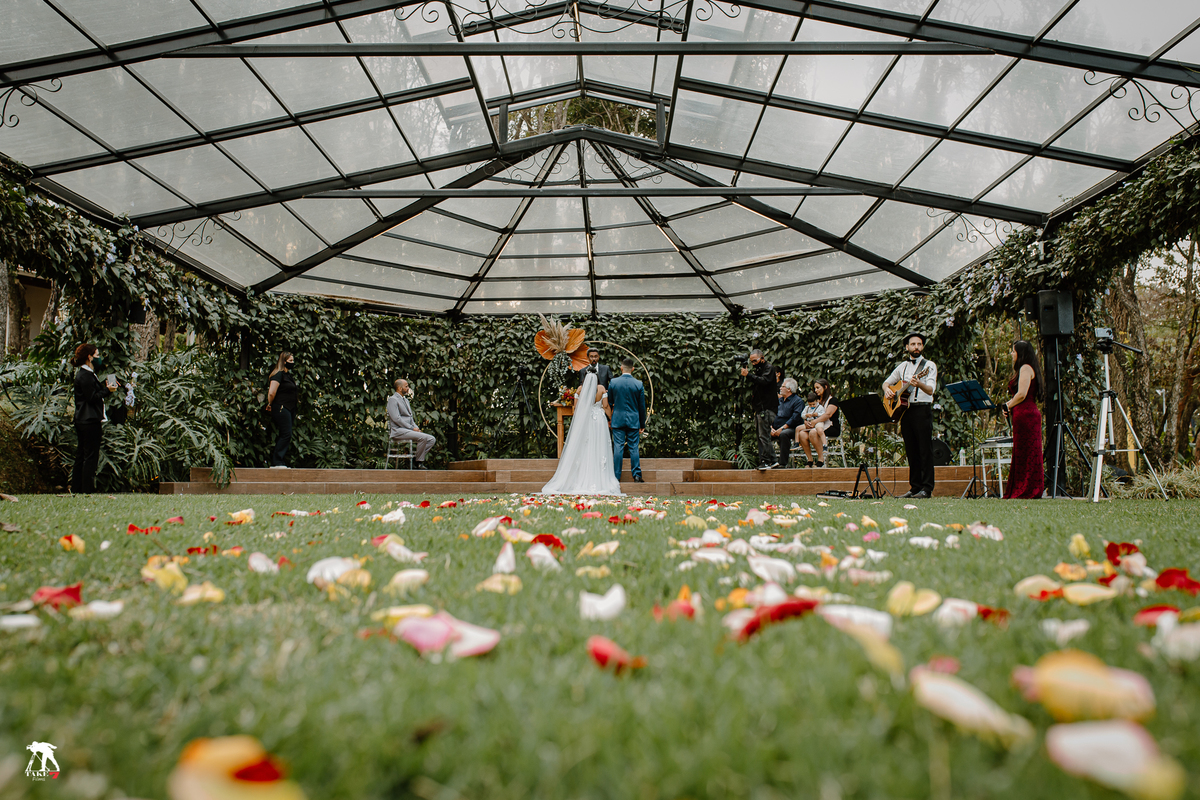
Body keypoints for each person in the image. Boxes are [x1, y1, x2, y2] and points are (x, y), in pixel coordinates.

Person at [540, 370, 621, 495]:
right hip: (599, 421)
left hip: (586, 420)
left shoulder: (579, 389)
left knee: (585, 446)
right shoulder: (601, 388)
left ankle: (583, 475)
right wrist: (611, 419)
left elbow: (576, 409)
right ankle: (599, 477)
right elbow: (605, 406)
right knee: (599, 446)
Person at [883, 332, 938, 498]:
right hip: (905, 411)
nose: (916, 347)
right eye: (913, 344)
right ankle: (914, 488)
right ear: (907, 347)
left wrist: (919, 383)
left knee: (924, 450)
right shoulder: (903, 367)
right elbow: (887, 382)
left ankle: (926, 489)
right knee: (911, 450)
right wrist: (887, 390)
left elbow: (930, 390)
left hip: (922, 410)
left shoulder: (929, 366)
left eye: (919, 344)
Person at [1002, 340, 1045, 499]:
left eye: (1013, 351)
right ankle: (1022, 486)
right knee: (1022, 452)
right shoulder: (1023, 369)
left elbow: (1021, 394)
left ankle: (1028, 488)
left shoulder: (1026, 368)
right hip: (1021, 414)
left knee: (1028, 452)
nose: (1012, 354)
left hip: (1027, 414)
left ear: (1020, 353)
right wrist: (1010, 406)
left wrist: (1008, 405)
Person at [71, 343, 113, 494]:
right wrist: (107, 391)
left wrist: (105, 390)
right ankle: (86, 489)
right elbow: (92, 398)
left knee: (82, 454)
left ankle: (77, 488)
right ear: (89, 357)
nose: (99, 358)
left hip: (82, 419)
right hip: (89, 420)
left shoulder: (85, 374)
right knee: (90, 456)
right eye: (96, 355)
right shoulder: (86, 375)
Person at [608, 358, 647, 483]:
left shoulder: (613, 383)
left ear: (621, 367)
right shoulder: (638, 384)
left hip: (617, 419)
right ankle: (636, 475)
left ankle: (616, 476)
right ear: (633, 369)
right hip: (633, 420)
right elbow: (642, 406)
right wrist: (642, 423)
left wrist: (609, 419)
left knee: (618, 447)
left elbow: (609, 402)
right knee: (634, 447)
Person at [387, 378, 436, 469]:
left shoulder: (406, 400)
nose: (408, 388)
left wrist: (416, 428)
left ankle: (415, 460)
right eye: (406, 386)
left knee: (431, 439)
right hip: (398, 431)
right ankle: (419, 463)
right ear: (399, 388)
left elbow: (410, 418)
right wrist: (411, 428)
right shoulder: (392, 400)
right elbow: (396, 418)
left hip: (408, 430)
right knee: (423, 437)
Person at [740, 349, 777, 471]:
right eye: (752, 362)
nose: (754, 363)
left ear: (762, 358)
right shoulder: (759, 369)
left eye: (755, 361)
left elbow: (764, 381)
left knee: (763, 436)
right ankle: (772, 460)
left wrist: (749, 375)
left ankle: (765, 461)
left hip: (766, 408)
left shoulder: (769, 368)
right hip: (760, 408)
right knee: (762, 435)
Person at [796, 378, 841, 467]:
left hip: (830, 426)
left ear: (825, 387)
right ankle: (810, 459)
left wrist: (814, 422)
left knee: (813, 432)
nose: (816, 390)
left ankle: (821, 459)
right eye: (815, 388)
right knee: (802, 434)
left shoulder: (833, 400)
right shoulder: (815, 402)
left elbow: (828, 414)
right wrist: (806, 422)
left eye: (818, 388)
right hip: (815, 425)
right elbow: (807, 413)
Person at [265, 352, 298, 468]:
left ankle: (278, 461)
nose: (292, 363)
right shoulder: (278, 375)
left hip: (289, 408)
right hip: (281, 407)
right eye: (290, 361)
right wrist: (270, 403)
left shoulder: (288, 376)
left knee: (285, 433)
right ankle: (277, 461)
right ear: (283, 362)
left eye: (293, 360)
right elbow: (271, 392)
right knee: (286, 434)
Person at [769, 378, 804, 468]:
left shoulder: (798, 401)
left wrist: (782, 428)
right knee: (764, 434)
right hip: (776, 427)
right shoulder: (779, 401)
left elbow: (795, 418)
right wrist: (771, 428)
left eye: (783, 386)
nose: (780, 388)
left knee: (784, 434)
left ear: (789, 389)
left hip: (791, 428)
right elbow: (772, 415)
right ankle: (769, 461)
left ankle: (782, 463)